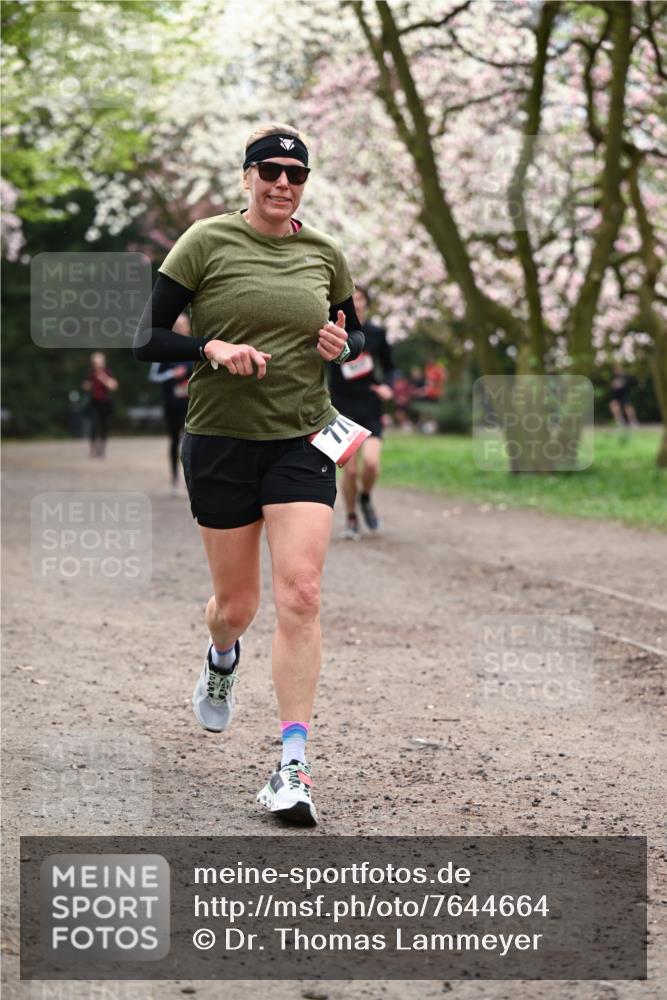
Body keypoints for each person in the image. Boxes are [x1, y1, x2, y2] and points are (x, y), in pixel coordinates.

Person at [134, 123, 364, 826]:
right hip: (222, 441)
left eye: (295, 172)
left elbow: (352, 341)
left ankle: (291, 767)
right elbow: (143, 335)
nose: (282, 183)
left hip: (301, 438)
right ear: (246, 177)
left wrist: (338, 341)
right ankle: (221, 654)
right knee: (237, 604)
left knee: (301, 591)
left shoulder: (324, 253)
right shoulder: (205, 241)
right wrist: (210, 346)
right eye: (269, 170)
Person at [328, 286, 395, 539]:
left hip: (370, 404)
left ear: (367, 303)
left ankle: (365, 497)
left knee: (371, 464)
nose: (356, 303)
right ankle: (352, 517)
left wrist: (388, 387)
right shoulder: (335, 331)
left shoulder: (376, 333)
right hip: (341, 406)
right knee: (350, 470)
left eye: (360, 299)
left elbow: (390, 367)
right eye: (351, 299)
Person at [148, 313, 194, 492]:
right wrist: (171, 375)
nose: (181, 327)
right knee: (175, 440)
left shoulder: (195, 346)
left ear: (189, 326)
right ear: (173, 327)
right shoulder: (165, 348)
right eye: (177, 324)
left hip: (193, 404)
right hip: (172, 404)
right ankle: (175, 477)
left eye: (184, 324)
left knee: (192, 441)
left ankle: (191, 478)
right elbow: (153, 376)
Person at [82, 352, 118, 458]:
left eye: (98, 362)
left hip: (105, 402)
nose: (96, 364)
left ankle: (102, 449)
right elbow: (85, 386)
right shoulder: (91, 372)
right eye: (95, 362)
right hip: (94, 402)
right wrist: (87, 385)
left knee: (104, 426)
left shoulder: (107, 372)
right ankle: (93, 449)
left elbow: (114, 386)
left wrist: (103, 378)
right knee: (93, 425)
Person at [610, 363, 639, 428]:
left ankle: (633, 421)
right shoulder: (614, 377)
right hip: (617, 396)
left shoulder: (626, 376)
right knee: (613, 405)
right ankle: (620, 421)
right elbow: (613, 387)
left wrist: (622, 383)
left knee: (627, 407)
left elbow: (633, 382)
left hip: (625, 395)